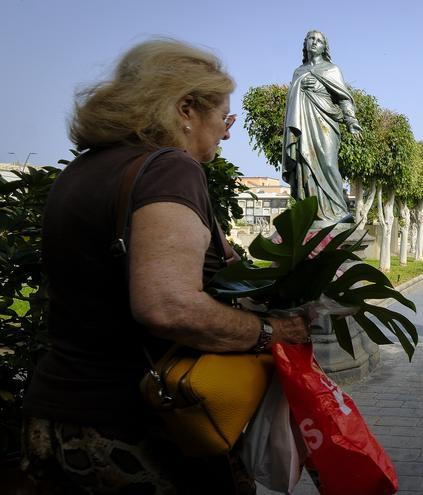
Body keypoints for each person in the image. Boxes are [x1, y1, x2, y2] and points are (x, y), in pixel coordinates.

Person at [21, 39, 311, 494]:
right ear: (185, 109)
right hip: (138, 428)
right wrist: (274, 331)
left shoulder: (83, 170)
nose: (227, 133)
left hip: (58, 412)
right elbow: (167, 306)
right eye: (224, 118)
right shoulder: (169, 169)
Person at [282, 30, 361, 224]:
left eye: (319, 40)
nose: (315, 43)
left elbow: (343, 98)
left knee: (327, 163)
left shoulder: (332, 70)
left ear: (325, 47)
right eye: (311, 39)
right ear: (305, 43)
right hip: (303, 124)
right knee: (305, 165)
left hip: (326, 122)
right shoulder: (298, 71)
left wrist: (351, 120)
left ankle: (339, 212)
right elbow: (292, 102)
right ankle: (314, 212)